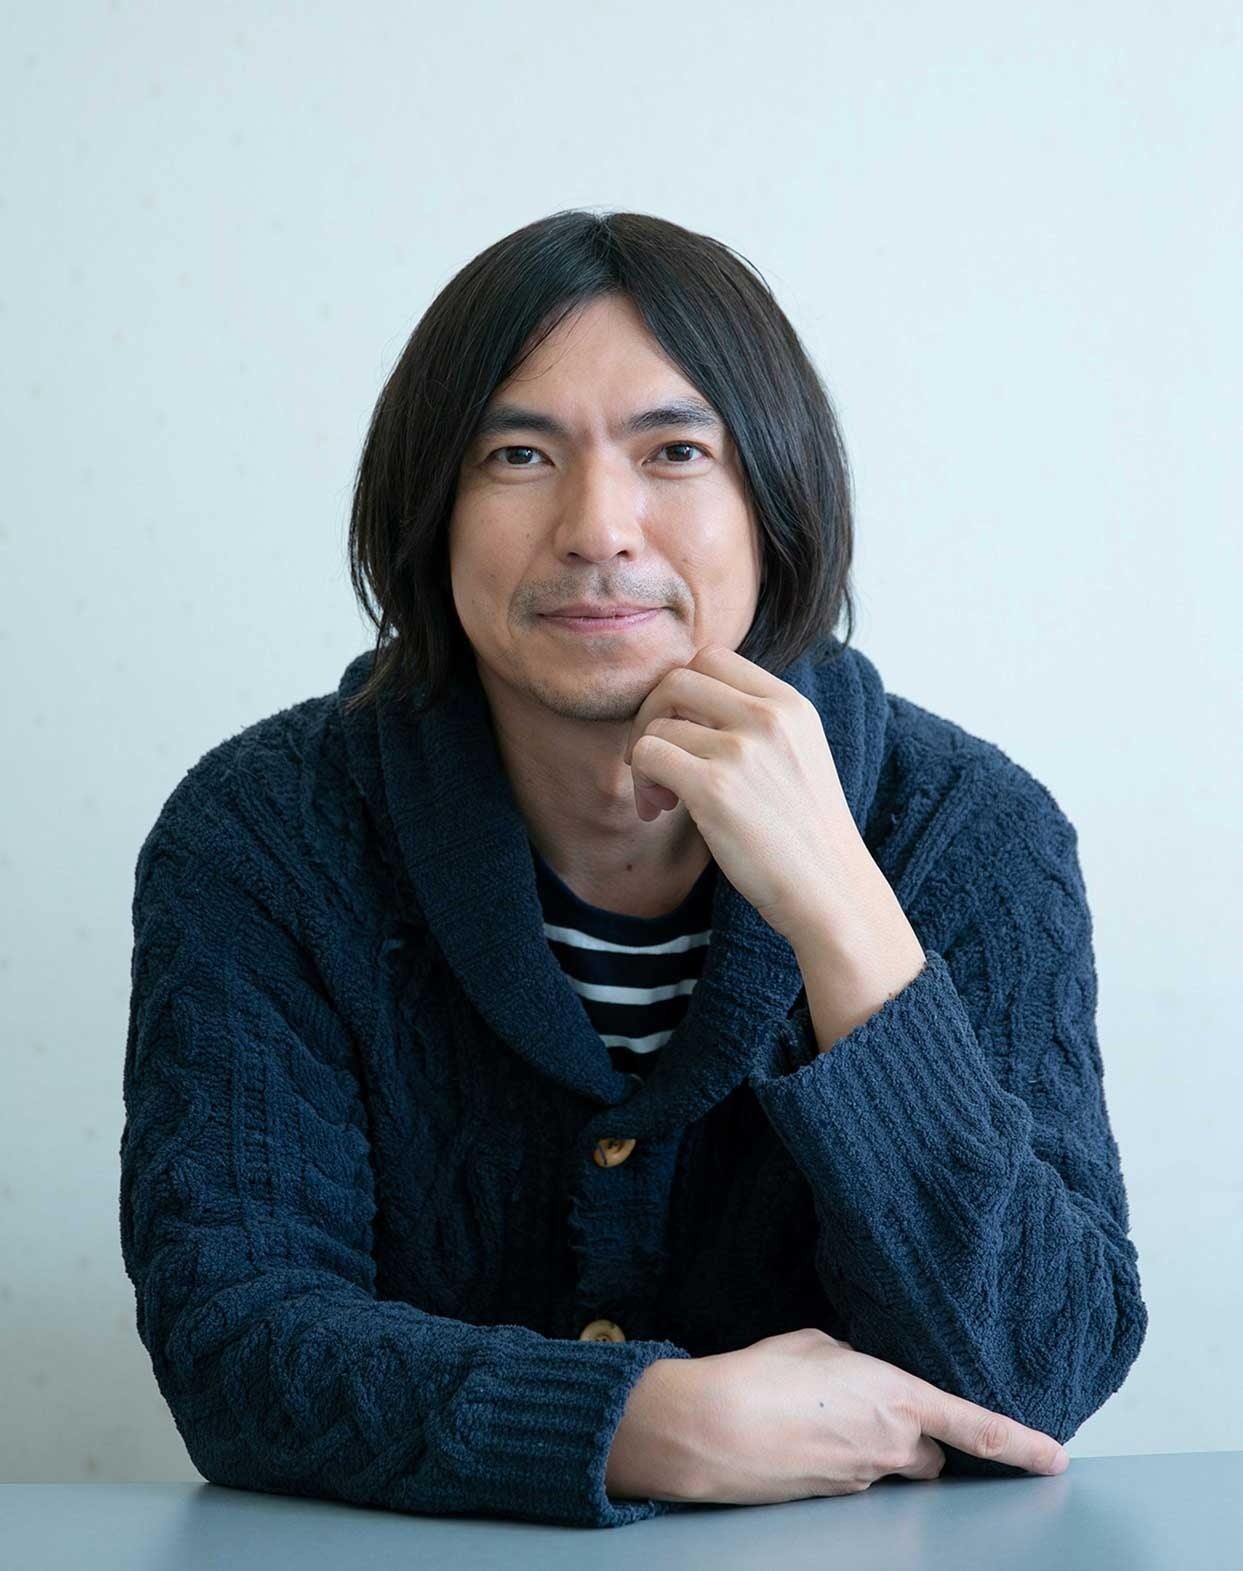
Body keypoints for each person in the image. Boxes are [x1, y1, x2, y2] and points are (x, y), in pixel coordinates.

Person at [120, 208, 1147, 1530]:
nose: (598, 528)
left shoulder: (973, 831)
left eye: (675, 452)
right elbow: (237, 1345)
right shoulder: (265, 834)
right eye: (518, 454)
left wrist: (843, 908)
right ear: (430, 509)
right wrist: (653, 1425)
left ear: (775, 500)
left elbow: (1039, 1372)